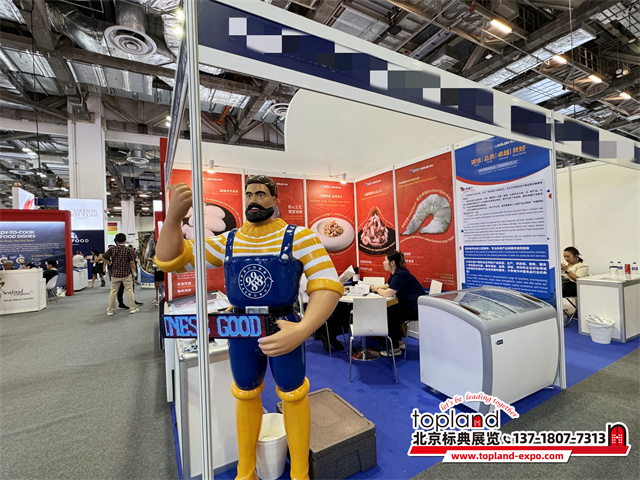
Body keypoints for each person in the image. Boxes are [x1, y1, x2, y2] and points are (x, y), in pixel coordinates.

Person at [155, 175, 342, 480]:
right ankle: (245, 472)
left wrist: (303, 329)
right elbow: (172, 259)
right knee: (244, 393)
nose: (253, 200)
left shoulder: (301, 237)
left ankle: (300, 473)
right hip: (241, 327)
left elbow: (327, 285)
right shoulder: (229, 240)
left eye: (261, 194)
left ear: (275, 199)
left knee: (294, 395)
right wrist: (173, 218)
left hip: (284, 326)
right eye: (249, 194)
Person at [370, 251, 425, 357]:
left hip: (415, 307)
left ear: (392, 263)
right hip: (409, 305)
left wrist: (376, 289)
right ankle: (399, 342)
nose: (383, 262)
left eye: (385, 260)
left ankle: (395, 349)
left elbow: (388, 293)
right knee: (389, 311)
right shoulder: (396, 273)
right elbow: (388, 285)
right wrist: (372, 287)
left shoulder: (400, 274)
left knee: (388, 315)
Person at [102, 233, 138, 316]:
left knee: (113, 292)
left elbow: (102, 257)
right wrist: (134, 272)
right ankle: (132, 308)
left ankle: (110, 310)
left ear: (116, 240)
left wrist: (109, 263)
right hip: (126, 273)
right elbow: (132, 262)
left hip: (115, 274)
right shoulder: (129, 249)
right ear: (125, 240)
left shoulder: (112, 249)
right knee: (129, 291)